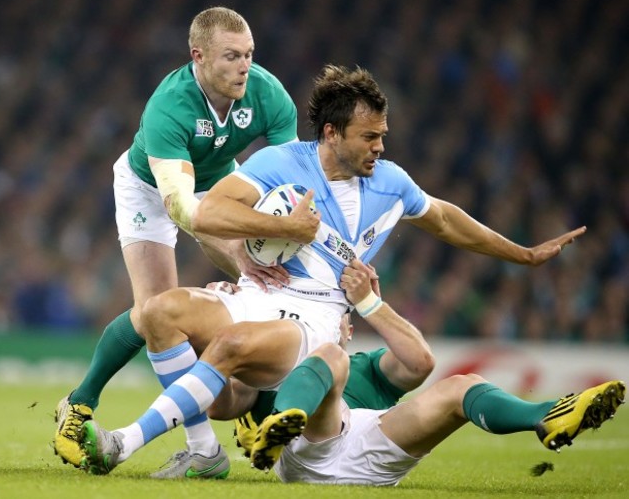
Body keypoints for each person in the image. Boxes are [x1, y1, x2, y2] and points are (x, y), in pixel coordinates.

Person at [75, 63, 586, 477]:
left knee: (235, 355)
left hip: (315, 317)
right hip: (258, 292)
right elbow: (210, 211)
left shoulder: (391, 182)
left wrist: (522, 254)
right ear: (331, 133)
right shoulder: (281, 162)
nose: (380, 147)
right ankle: (205, 448)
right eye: (369, 137)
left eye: (383, 136)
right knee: (160, 311)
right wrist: (272, 236)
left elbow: (447, 221)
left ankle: (125, 443)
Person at [53, 6, 300, 468]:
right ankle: (79, 405)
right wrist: (253, 238)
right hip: (152, 188)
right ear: (199, 56)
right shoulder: (170, 105)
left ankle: (255, 412)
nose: (244, 66)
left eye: (248, 54)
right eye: (231, 56)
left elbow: (290, 181)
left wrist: (270, 240)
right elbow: (183, 208)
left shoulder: (267, 94)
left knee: (273, 278)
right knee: (156, 312)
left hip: (220, 180)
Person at [230, 263, 625, 483]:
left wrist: (371, 304)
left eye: (337, 319)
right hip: (307, 455)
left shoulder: (366, 365)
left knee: (460, 388)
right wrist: (227, 319)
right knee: (330, 359)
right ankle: (284, 423)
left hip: (372, 460)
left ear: (350, 328)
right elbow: (222, 398)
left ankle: (544, 416)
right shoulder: (273, 364)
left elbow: (421, 363)